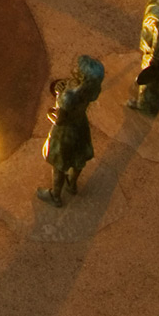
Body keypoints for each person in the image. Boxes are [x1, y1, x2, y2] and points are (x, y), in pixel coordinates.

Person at [37, 56, 105, 206]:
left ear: (81, 76)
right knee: (78, 159)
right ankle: (72, 184)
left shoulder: (68, 96)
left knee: (59, 165)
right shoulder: (89, 92)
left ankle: (55, 195)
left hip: (64, 134)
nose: (74, 68)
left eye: (78, 68)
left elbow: (60, 120)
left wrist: (52, 108)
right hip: (80, 127)